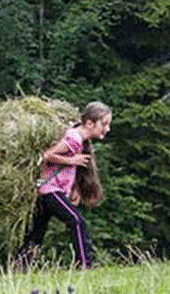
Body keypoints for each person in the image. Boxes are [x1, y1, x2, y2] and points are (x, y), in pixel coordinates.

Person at [17, 101, 112, 270]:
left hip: (46, 190)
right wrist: (71, 160)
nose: (107, 128)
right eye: (104, 124)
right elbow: (47, 155)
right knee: (77, 221)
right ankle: (85, 264)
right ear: (89, 123)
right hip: (49, 191)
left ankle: (20, 266)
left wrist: (75, 188)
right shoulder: (75, 139)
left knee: (36, 232)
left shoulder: (79, 139)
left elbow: (67, 168)